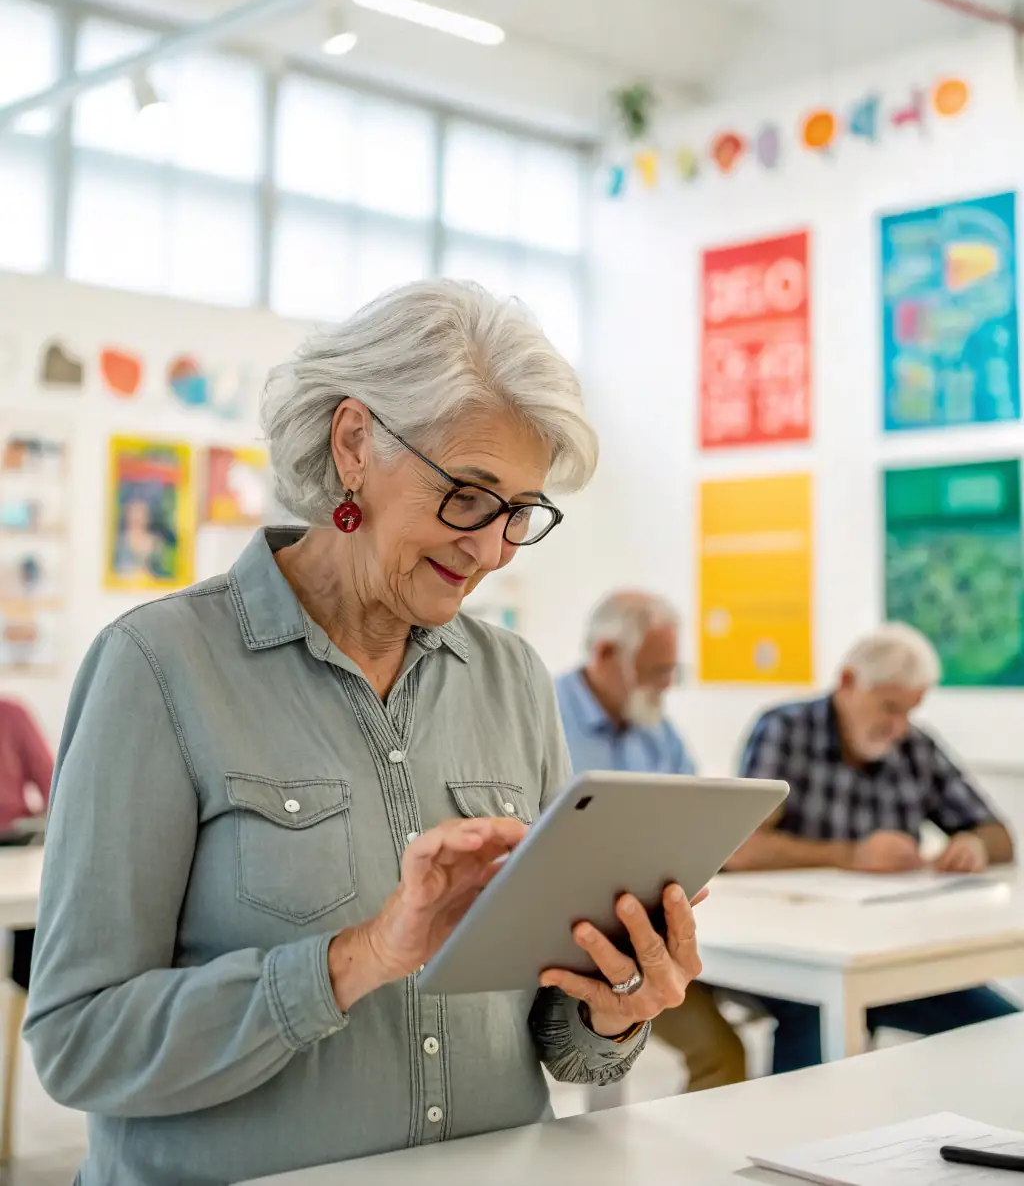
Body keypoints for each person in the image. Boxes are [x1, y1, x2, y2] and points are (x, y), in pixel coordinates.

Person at [25, 282, 704, 1186]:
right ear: (355, 443)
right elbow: (80, 1043)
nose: (494, 548)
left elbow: (556, 1042)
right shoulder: (158, 667)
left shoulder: (510, 680)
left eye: (522, 512)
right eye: (469, 493)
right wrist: (357, 960)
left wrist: (619, 1004)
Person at [731, 622, 1017, 1073]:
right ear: (847, 683)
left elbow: (999, 836)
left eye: (910, 711)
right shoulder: (784, 730)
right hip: (797, 954)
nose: (898, 726)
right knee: (815, 1031)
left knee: (1007, 1033)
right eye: (889, 707)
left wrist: (973, 844)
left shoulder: (914, 747)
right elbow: (740, 849)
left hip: (890, 955)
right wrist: (851, 856)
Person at [557, 591, 746, 1091]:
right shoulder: (543, 718)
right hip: (584, 942)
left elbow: (698, 817)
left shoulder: (655, 728)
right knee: (722, 1053)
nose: (665, 685)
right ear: (604, 654)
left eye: (671, 671)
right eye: (655, 669)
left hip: (662, 927)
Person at [0, 700, 53, 991]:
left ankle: (29, 985)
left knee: (37, 912)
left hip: (14, 841)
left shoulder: (12, 714)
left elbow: (52, 781)